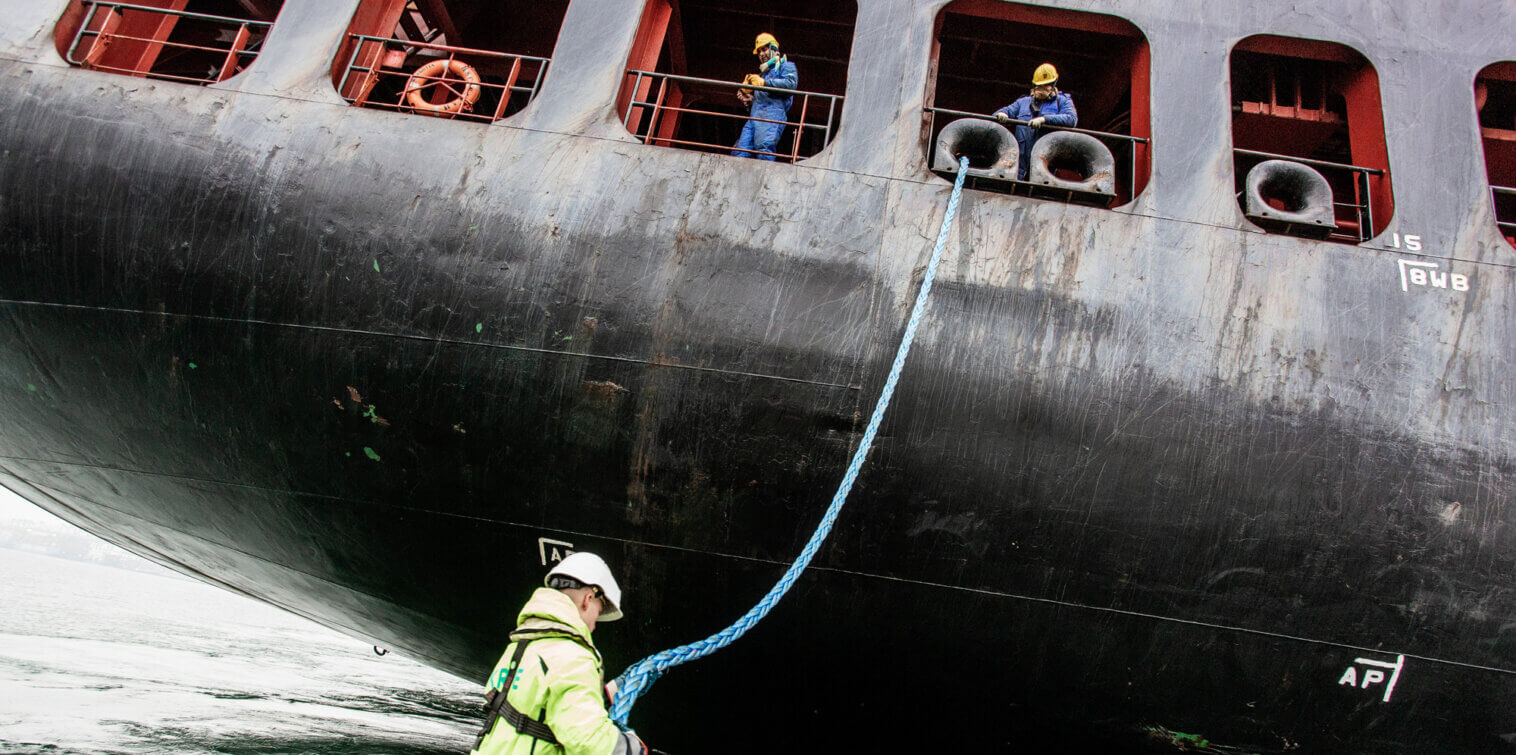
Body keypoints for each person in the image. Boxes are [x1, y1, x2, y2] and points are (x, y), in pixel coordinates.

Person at [472, 553, 648, 755]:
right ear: (587, 599)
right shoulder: (573, 657)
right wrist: (631, 748)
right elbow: (589, 741)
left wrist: (605, 696)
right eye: (597, 614)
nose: (593, 626)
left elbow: (539, 705)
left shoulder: (520, 647)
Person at [994, 63, 1078, 179]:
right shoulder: (1023, 102)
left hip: (1045, 163)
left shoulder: (1063, 102)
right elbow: (1004, 111)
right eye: (1039, 85)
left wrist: (1045, 119)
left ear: (1053, 85)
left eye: (1046, 85)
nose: (1042, 88)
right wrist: (1002, 114)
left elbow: (1071, 119)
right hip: (1020, 162)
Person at [732, 33, 799, 161]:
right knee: (741, 149)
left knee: (764, 148)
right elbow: (762, 100)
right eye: (759, 52)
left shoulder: (786, 66)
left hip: (772, 116)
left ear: (773, 48)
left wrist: (764, 83)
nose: (761, 54)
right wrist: (748, 99)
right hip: (754, 117)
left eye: (764, 49)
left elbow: (790, 85)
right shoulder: (763, 74)